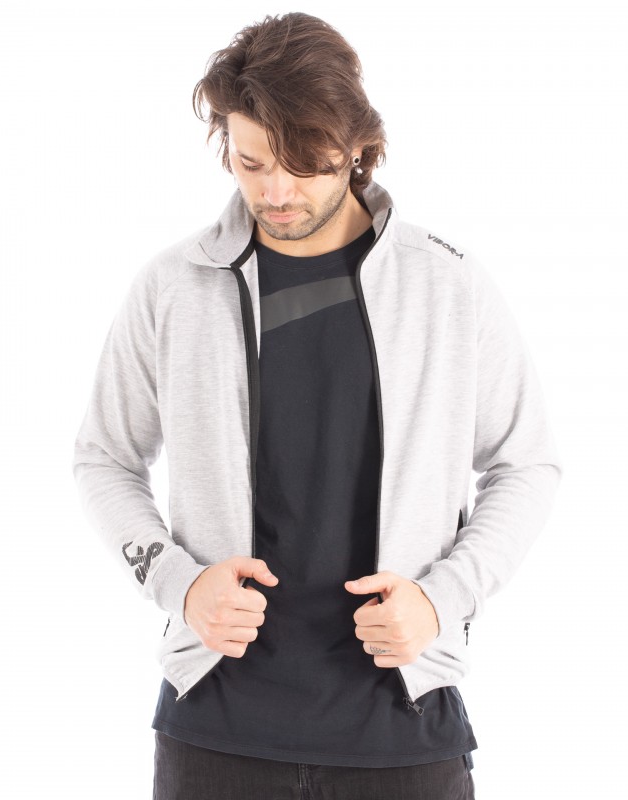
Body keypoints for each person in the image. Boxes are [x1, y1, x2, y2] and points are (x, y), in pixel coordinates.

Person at [72, 12, 562, 800]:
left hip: (403, 730)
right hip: (214, 733)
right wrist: (178, 585)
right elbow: (104, 458)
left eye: (305, 167)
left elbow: (526, 463)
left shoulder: (447, 285)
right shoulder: (173, 287)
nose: (274, 192)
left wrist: (442, 600)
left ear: (358, 149)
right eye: (251, 162)